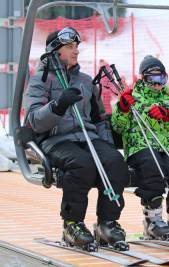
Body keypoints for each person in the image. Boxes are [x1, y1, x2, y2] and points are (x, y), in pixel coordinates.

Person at [24, 27, 130, 250]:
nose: (76, 51)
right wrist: (58, 105)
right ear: (55, 51)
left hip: (87, 137)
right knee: (81, 165)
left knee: (115, 163)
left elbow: (98, 118)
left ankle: (106, 222)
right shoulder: (40, 81)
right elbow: (35, 120)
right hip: (56, 140)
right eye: (70, 47)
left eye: (77, 47)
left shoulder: (85, 81)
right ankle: (72, 223)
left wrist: (107, 145)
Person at [111, 55, 169, 241]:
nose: (158, 84)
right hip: (140, 148)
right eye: (152, 79)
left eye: (161, 79)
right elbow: (118, 126)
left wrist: (168, 117)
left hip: (166, 148)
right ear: (143, 78)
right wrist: (124, 109)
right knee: (153, 168)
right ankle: (153, 221)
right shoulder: (132, 97)